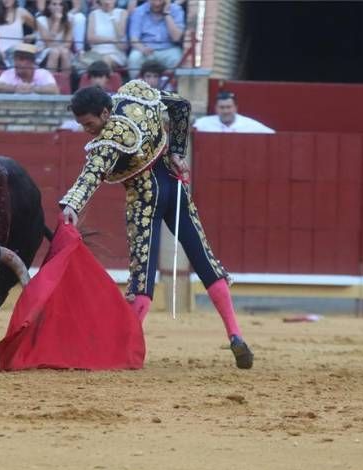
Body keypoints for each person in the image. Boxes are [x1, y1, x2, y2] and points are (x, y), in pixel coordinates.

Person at [59, 81, 255, 369]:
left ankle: (123, 349)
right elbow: (181, 106)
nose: (86, 130)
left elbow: (92, 173)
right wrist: (177, 152)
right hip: (174, 188)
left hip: (144, 199)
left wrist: (72, 205)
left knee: (142, 274)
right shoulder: (137, 94)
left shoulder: (112, 136)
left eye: (89, 123)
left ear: (104, 112)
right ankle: (235, 334)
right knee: (205, 260)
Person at [127, 0, 184, 79]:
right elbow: (133, 39)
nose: (157, 4)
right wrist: (142, 49)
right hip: (145, 48)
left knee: (177, 59)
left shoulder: (176, 10)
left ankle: (169, 88)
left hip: (168, 48)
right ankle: (137, 88)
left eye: (160, 1)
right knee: (134, 58)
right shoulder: (138, 11)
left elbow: (176, 37)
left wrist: (166, 14)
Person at [0, 0, 36, 69]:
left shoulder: (21, 12)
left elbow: (39, 29)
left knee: (15, 51)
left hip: (14, 51)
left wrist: (32, 35)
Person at [193, 91, 275, 134]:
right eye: (222, 107)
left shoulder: (249, 124)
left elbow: (272, 135)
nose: (225, 111)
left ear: (235, 108)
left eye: (229, 107)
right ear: (216, 109)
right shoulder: (203, 123)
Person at [84, 0, 127, 69]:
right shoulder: (93, 14)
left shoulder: (122, 13)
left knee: (105, 60)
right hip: (96, 52)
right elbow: (90, 38)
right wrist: (112, 39)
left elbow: (120, 34)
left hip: (115, 53)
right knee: (83, 60)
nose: (107, 1)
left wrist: (112, 16)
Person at [34, 0, 73, 72]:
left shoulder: (69, 20)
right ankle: (50, 81)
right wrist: (57, 22)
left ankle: (66, 81)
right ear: (48, 6)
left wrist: (57, 47)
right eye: (54, 4)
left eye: (60, 4)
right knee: (55, 52)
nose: (57, 7)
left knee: (64, 52)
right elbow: (49, 42)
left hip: (61, 52)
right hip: (42, 54)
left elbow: (68, 44)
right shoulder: (41, 20)